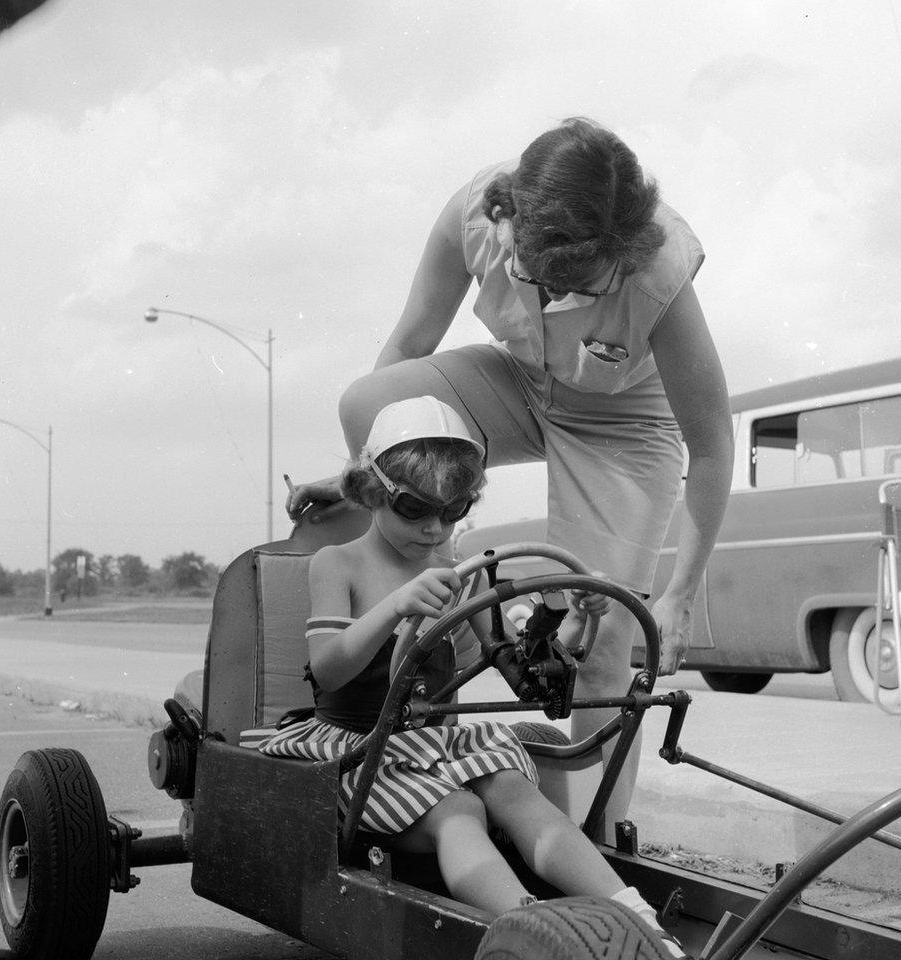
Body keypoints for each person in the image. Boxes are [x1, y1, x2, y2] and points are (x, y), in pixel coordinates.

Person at [288, 117, 734, 828]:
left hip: (623, 424)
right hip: (521, 386)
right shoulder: (473, 214)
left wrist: (680, 594)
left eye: (585, 287)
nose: (563, 299)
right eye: (544, 279)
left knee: (606, 628)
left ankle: (608, 835)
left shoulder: (660, 268)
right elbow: (410, 342)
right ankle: (431, 575)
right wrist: (360, 477)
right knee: (370, 399)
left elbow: (710, 446)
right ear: (511, 223)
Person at [247, 397, 689, 955]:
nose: (435, 530)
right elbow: (329, 672)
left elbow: (526, 677)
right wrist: (394, 609)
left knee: (514, 792)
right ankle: (540, 938)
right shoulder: (339, 564)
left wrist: (576, 620)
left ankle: (641, 923)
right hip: (360, 750)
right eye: (414, 509)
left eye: (453, 512)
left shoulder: (463, 574)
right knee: (461, 810)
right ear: (373, 493)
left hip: (433, 742)